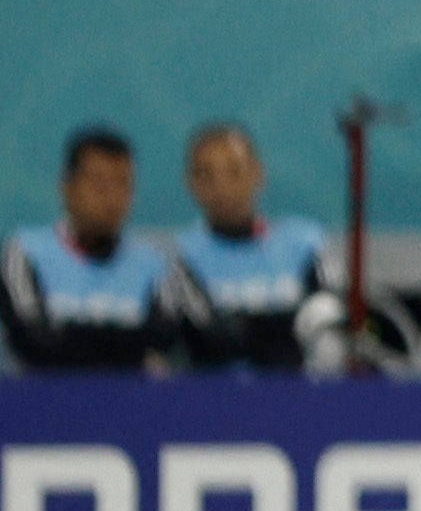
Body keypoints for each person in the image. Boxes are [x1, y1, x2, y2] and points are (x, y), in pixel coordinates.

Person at [159, 120, 342, 374]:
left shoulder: (305, 245)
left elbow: (332, 327)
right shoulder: (180, 258)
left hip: (300, 399)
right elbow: (208, 343)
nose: (222, 187)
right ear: (192, 183)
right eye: (207, 175)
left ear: (258, 173)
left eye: (234, 171)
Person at [1, 124, 170, 372]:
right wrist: (124, 341)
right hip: (42, 405)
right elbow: (34, 342)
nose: (110, 197)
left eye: (122, 183)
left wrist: (71, 334)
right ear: (67, 186)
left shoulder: (154, 261)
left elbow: (162, 340)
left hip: (131, 405)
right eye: (98, 183)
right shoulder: (25, 252)